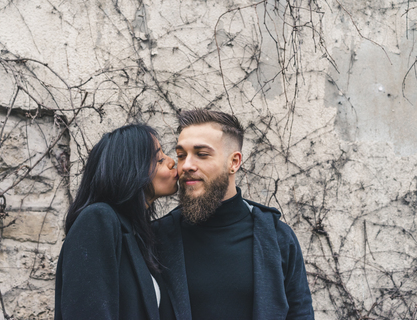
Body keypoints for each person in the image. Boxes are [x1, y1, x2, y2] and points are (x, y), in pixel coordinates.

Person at [153, 109, 314, 320]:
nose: (187, 165)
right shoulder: (157, 238)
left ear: (234, 162)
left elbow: (300, 314)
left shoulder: (277, 238)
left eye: (202, 154)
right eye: (181, 155)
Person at [54, 124, 178, 320]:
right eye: (159, 159)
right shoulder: (97, 220)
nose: (172, 162)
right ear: (131, 168)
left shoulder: (137, 235)